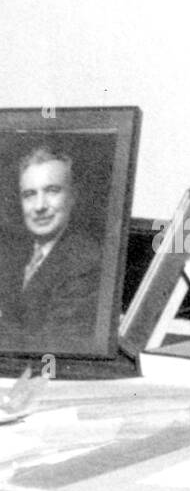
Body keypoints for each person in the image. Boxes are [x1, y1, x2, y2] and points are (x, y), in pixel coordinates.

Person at [0, 146, 101, 349]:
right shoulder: (17, 253)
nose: (39, 206)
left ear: (72, 197)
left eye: (52, 191)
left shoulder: (84, 262)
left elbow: (55, 344)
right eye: (29, 194)